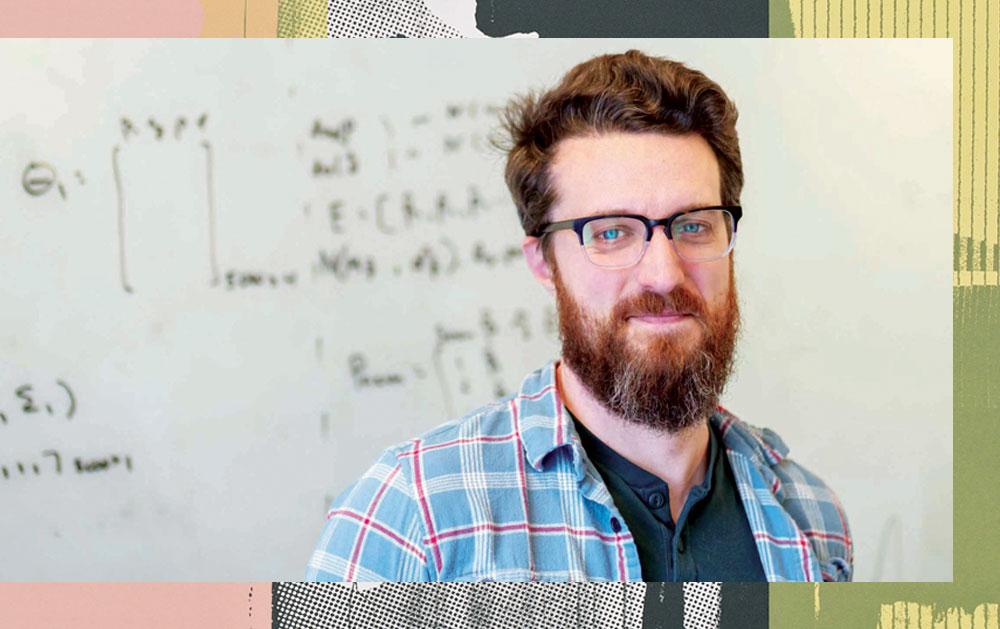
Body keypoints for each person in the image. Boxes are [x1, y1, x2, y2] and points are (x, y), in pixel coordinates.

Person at [306, 49, 853, 582]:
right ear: (545, 261)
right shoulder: (415, 518)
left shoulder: (811, 518)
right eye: (611, 233)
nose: (663, 275)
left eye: (693, 225)